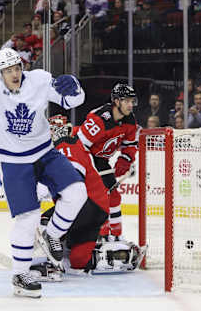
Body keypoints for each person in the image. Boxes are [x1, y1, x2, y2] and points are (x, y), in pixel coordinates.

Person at [0, 47, 88, 298]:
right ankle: (20, 275)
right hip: (13, 160)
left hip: (44, 151)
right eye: (8, 71)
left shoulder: (39, 79)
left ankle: (53, 235)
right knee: (28, 218)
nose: (14, 74)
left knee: (77, 191)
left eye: (17, 69)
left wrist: (75, 87)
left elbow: (72, 101)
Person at [36, 115, 145, 276]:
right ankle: (121, 254)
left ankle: (52, 266)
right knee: (78, 261)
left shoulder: (64, 144)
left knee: (45, 222)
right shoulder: (73, 144)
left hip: (85, 205)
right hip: (96, 211)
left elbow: (73, 178)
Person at [75, 82, 138, 240]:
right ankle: (99, 233)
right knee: (99, 197)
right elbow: (79, 147)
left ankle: (115, 235)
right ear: (116, 101)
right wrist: (87, 170)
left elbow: (130, 145)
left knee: (114, 195)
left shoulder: (130, 121)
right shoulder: (99, 119)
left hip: (101, 161)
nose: (131, 105)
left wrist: (125, 159)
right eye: (127, 101)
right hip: (84, 158)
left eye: (132, 101)